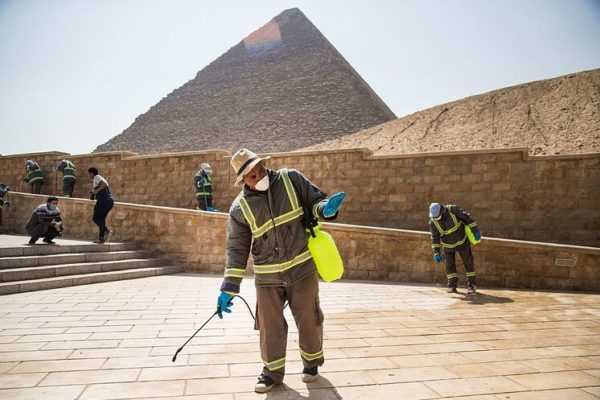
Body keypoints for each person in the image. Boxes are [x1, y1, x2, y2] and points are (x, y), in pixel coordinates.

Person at [216, 148, 346, 393]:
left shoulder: (291, 179)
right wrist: (228, 288)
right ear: (242, 181)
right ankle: (272, 373)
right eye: (252, 176)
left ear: (264, 164)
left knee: (310, 318)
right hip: (268, 277)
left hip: (301, 267)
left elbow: (316, 203)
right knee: (269, 325)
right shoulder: (239, 209)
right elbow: (237, 250)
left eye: (260, 170)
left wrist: (326, 209)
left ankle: (311, 365)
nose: (259, 177)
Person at [429, 203, 481, 294]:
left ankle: (472, 285)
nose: (436, 218)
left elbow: (467, 218)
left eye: (437, 215)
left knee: (468, 263)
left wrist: (475, 231)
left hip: (462, 242)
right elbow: (435, 238)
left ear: (442, 210)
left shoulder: (453, 210)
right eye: (434, 216)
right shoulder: (433, 222)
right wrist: (436, 253)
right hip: (448, 245)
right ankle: (452, 285)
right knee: (449, 266)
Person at [88, 167, 114, 243]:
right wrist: (94, 192)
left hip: (103, 201)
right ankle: (101, 239)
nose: (89, 175)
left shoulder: (96, 177)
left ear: (92, 173)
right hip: (109, 201)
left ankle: (106, 231)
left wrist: (95, 192)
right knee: (101, 219)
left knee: (95, 218)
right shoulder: (99, 178)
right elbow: (102, 186)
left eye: (89, 174)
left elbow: (104, 184)